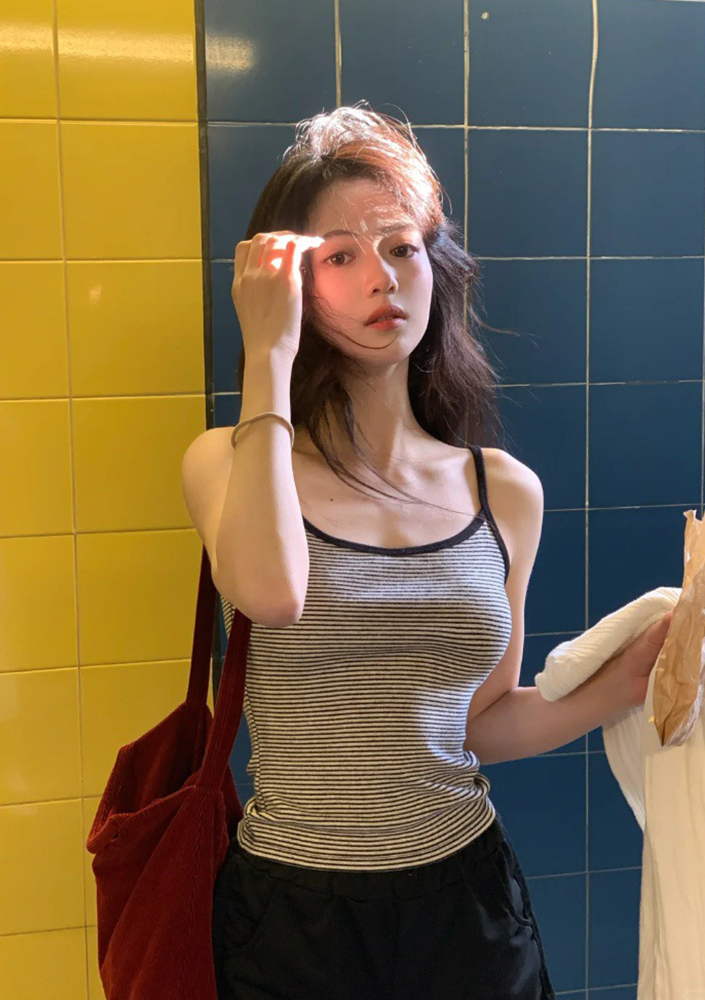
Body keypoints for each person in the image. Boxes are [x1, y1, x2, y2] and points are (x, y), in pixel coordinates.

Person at [199, 102, 557, 999]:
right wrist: (268, 353)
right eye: (339, 257)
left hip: (467, 897)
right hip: (294, 915)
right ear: (286, 282)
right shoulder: (227, 463)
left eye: (402, 248)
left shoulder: (503, 490)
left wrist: (627, 681)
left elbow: (483, 724)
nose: (382, 278)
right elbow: (269, 593)